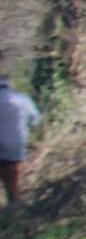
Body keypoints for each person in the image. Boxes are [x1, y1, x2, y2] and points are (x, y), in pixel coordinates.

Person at [0, 73, 41, 209]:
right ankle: (14, 203)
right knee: (13, 176)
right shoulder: (22, 99)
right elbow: (35, 119)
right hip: (16, 143)